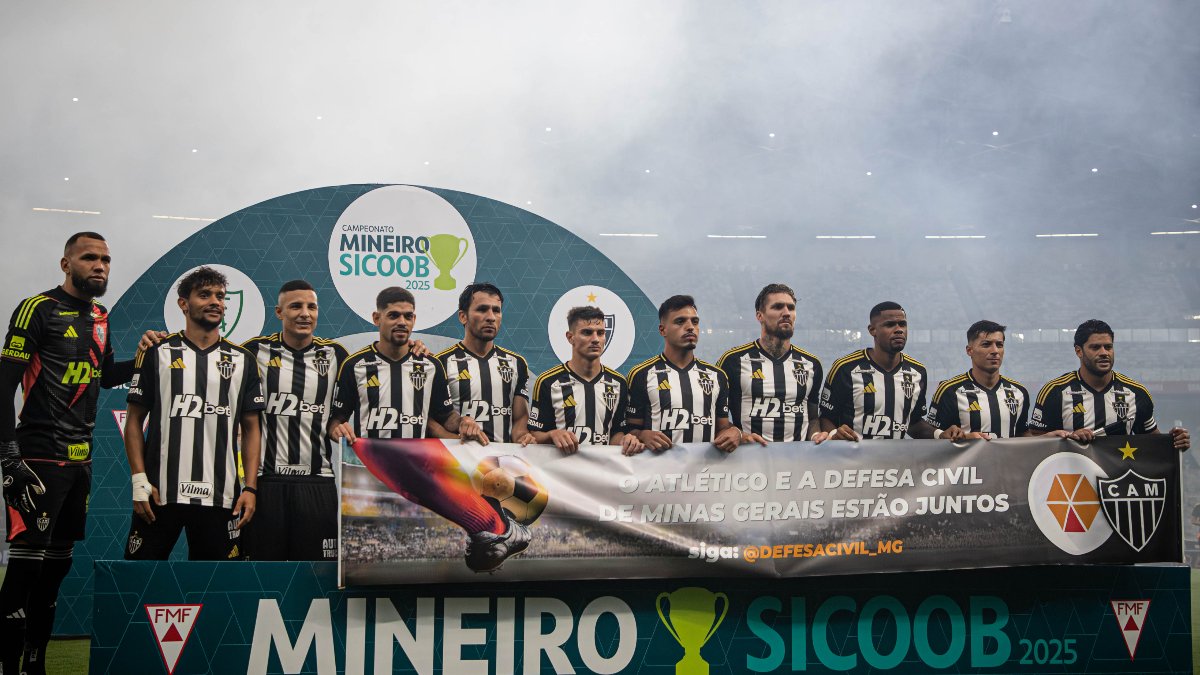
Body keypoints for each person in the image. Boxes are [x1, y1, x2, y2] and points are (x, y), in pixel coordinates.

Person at [0, 232, 144, 675]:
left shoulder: (100, 316)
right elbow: (4, 385)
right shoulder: (36, 308)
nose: (100, 266)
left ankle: (35, 665)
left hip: (80, 463)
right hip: (38, 459)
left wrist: (143, 356)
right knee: (25, 572)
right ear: (65, 264)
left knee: (55, 575)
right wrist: (10, 458)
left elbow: (103, 376)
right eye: (89, 258)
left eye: (105, 259)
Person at [327, 288, 527, 572]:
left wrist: (463, 423)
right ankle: (497, 529)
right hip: (370, 471)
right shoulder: (355, 366)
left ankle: (496, 530)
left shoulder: (429, 365)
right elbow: (335, 419)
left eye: (408, 316)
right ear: (376, 318)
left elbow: (445, 416)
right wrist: (339, 429)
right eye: (393, 315)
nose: (402, 322)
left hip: (417, 470)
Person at [123, 266, 265, 561]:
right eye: (204, 295)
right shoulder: (157, 351)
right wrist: (139, 480)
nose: (215, 301)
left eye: (221, 296)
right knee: (138, 583)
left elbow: (252, 429)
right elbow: (134, 420)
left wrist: (250, 486)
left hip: (222, 497)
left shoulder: (243, 360)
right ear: (183, 303)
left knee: (218, 589)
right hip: (159, 494)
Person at [240, 280, 348, 561]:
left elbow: (359, 392)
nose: (305, 313)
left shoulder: (335, 354)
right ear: (279, 312)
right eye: (296, 306)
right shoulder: (253, 351)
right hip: (267, 482)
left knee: (318, 573)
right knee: (261, 573)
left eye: (311, 307)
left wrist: (414, 346)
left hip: (318, 481)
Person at [1028, 319, 1190, 450]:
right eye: (1095, 347)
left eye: (1108, 347)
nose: (1104, 353)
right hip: (1073, 484)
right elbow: (1033, 442)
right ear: (1079, 351)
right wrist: (1069, 438)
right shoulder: (1055, 391)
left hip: (1119, 483)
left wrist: (1175, 441)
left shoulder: (1136, 393)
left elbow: (1153, 443)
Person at [625, 295, 748, 452]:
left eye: (694, 322)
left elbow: (721, 428)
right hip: (657, 473)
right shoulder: (641, 374)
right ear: (663, 330)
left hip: (704, 472)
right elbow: (629, 429)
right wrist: (643, 435)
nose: (690, 327)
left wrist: (736, 432)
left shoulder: (717, 376)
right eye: (680, 321)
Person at [717, 283, 828, 442]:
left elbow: (812, 418)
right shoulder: (732, 360)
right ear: (759, 315)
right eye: (777, 307)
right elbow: (713, 415)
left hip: (798, 461)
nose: (786, 313)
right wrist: (739, 434)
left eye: (791, 308)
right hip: (747, 461)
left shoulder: (811, 364)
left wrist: (816, 434)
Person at [526, 306, 643, 455]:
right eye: (587, 332)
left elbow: (615, 432)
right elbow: (533, 435)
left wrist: (625, 440)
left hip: (603, 472)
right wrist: (552, 434)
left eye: (600, 333)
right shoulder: (548, 382)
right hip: (560, 474)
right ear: (570, 337)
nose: (595, 339)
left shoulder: (618, 383)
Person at [819, 301, 937, 440]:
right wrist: (834, 435)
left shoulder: (918, 372)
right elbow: (826, 417)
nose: (899, 329)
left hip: (896, 461)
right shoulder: (845, 368)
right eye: (890, 324)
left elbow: (914, 422)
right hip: (855, 459)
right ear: (872, 330)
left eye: (902, 324)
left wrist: (940, 434)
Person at [434, 283, 531, 444]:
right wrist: (457, 440)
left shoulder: (516, 363)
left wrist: (523, 438)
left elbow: (519, 420)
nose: (491, 317)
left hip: (503, 463)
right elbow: (431, 419)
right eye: (482, 309)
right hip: (457, 462)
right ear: (463, 316)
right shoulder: (441, 363)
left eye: (496, 310)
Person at [926, 320, 1030, 440]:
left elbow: (1022, 434)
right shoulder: (949, 391)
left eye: (999, 345)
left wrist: (1046, 438)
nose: (995, 351)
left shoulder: (1019, 392)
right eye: (986, 344)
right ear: (969, 350)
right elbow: (933, 439)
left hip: (1006, 459)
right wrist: (965, 439)